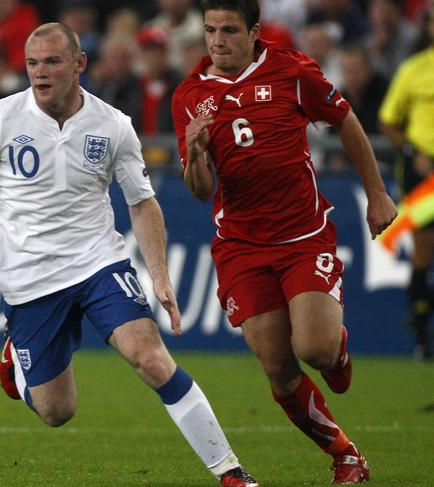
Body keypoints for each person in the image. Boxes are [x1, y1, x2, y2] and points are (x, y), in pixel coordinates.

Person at [0, 22, 260, 487]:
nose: (40, 72)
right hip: (30, 280)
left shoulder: (112, 125)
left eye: (52, 61)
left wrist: (160, 276)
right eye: (33, 63)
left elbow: (141, 202)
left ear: (79, 64)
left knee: (150, 357)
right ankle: (19, 356)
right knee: (57, 411)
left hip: (98, 262)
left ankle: (230, 472)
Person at [171, 1, 397, 484]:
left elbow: (346, 121)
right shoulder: (191, 95)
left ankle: (336, 350)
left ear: (253, 32)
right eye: (211, 30)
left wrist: (377, 195)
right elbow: (197, 190)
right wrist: (193, 156)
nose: (217, 41)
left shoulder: (291, 70)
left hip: (302, 235)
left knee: (314, 349)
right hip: (241, 246)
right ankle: (345, 454)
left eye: (229, 30)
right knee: (278, 368)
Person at [379, 3, 434, 360]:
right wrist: (414, 150)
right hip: (423, 168)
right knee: (425, 248)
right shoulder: (414, 69)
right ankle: (421, 335)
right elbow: (388, 120)